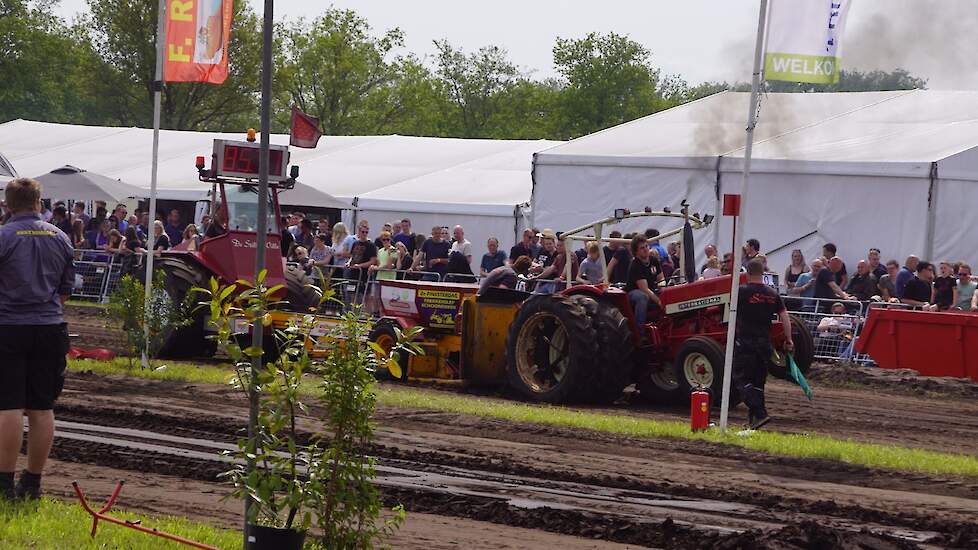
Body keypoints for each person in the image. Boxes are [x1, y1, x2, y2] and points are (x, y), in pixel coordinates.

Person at [0, 177, 75, 501]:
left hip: (9, 327)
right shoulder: (60, 237)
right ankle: (33, 482)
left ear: (7, 204)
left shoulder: (3, 237)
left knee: (9, 407)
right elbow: (65, 292)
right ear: (38, 203)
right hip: (49, 327)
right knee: (42, 408)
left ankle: (3, 483)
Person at [734, 259, 793, 431]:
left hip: (746, 341)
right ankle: (754, 421)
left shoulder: (741, 292)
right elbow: (785, 317)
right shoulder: (772, 293)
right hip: (764, 343)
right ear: (763, 273)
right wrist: (788, 339)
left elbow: (730, 314)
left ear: (747, 274)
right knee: (758, 382)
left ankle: (760, 413)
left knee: (741, 379)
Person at [625, 234, 663, 327]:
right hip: (634, 292)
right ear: (636, 251)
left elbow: (661, 279)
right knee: (642, 297)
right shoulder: (635, 265)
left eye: (646, 246)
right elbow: (644, 289)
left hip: (651, 289)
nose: (646, 249)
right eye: (642, 248)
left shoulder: (653, 260)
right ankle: (640, 329)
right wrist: (659, 301)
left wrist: (664, 291)